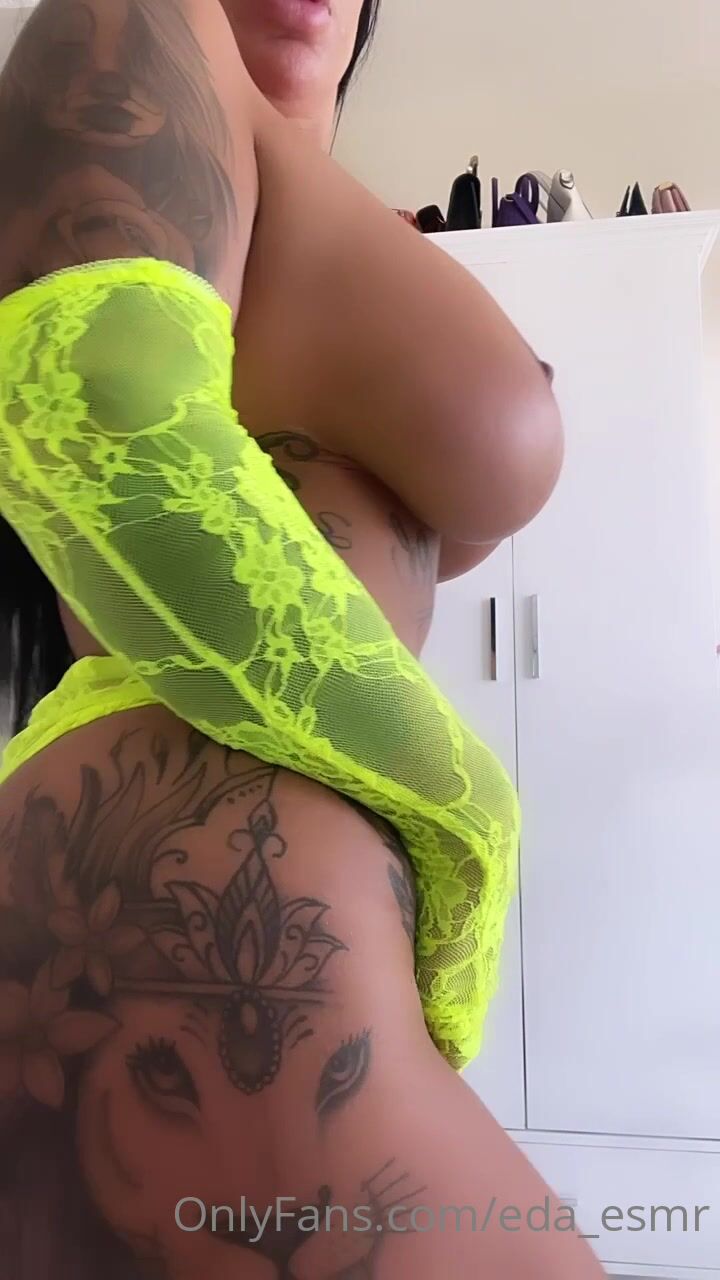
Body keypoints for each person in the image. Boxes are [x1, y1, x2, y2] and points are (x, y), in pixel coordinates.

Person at [0, 1, 605, 1276]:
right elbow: (94, 409)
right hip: (178, 942)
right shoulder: (137, 22)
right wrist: (466, 816)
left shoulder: (348, 223)